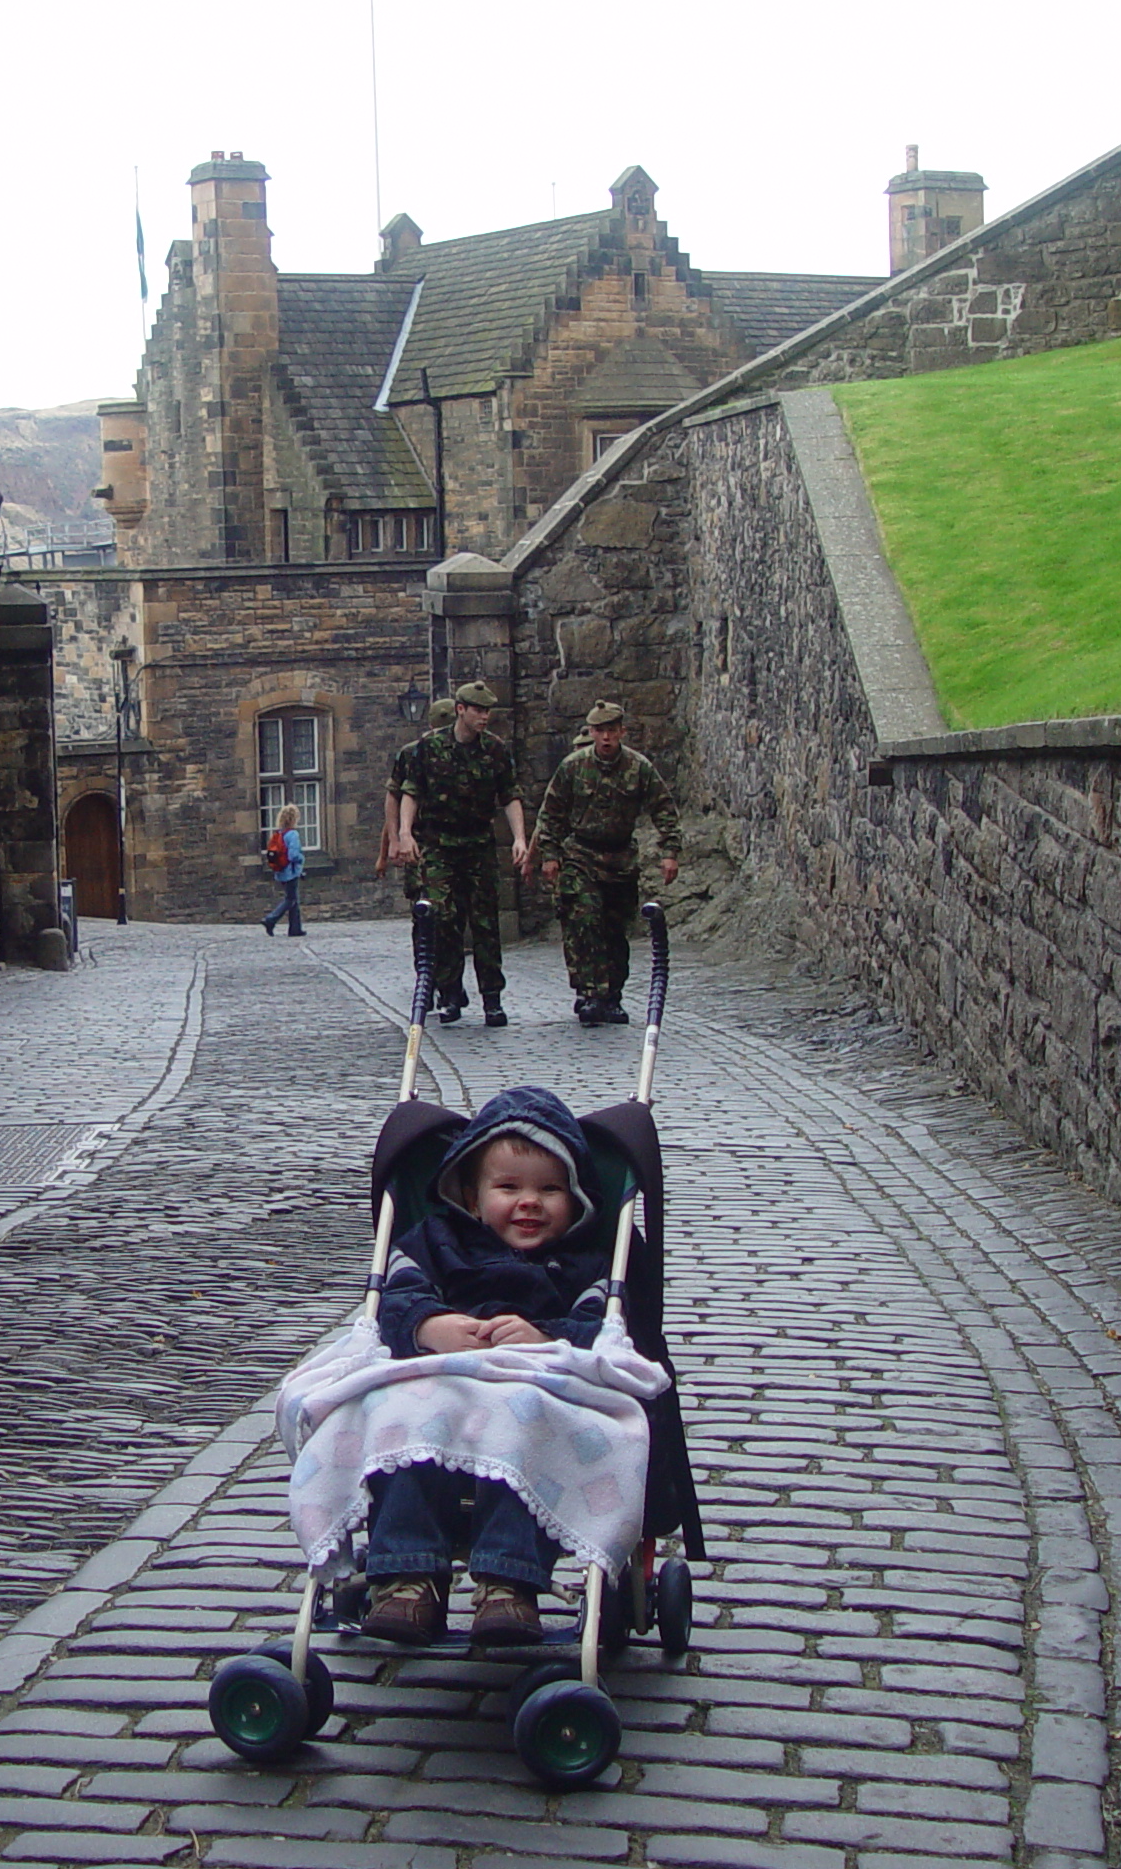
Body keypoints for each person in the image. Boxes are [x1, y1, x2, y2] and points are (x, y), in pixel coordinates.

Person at [359, 1085, 611, 1647]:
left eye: (550, 1189)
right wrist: (430, 1327)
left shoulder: (580, 1264)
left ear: (576, 1201)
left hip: (531, 1388)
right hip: (439, 1382)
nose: (530, 1202)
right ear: (473, 1198)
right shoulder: (434, 1242)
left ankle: (507, 1582)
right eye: (508, 1188)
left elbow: (604, 1332)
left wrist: (547, 1335)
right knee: (401, 1420)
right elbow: (390, 1305)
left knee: (523, 1423)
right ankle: (407, 1575)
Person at [532, 700, 681, 1026]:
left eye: (612, 731)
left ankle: (612, 994)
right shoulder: (573, 767)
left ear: (622, 732)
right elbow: (552, 813)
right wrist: (550, 855)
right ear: (592, 733)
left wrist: (670, 851)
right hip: (581, 855)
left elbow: (664, 808)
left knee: (615, 929)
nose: (606, 738)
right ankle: (590, 993)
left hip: (620, 859)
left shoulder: (638, 768)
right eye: (600, 731)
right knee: (584, 920)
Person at [392, 681, 528, 1027]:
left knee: (485, 922)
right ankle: (450, 993)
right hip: (438, 846)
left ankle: (492, 999)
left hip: (478, 844)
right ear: (460, 710)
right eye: (478, 710)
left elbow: (510, 795)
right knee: (442, 919)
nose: (484, 717)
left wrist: (520, 838)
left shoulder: (495, 750)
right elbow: (410, 792)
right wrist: (405, 834)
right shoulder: (429, 747)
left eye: (487, 711)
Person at [376, 697, 454, 908]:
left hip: (456, 843)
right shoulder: (412, 753)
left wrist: (387, 850)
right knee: (426, 907)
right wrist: (392, 843)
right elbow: (395, 800)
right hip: (420, 843)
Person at [260, 803, 305, 936]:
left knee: (293, 899)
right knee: (290, 899)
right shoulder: (293, 834)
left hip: (281, 871)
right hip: (291, 871)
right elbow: (293, 855)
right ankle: (270, 919)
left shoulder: (279, 833)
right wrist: (302, 859)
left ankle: (295, 929)